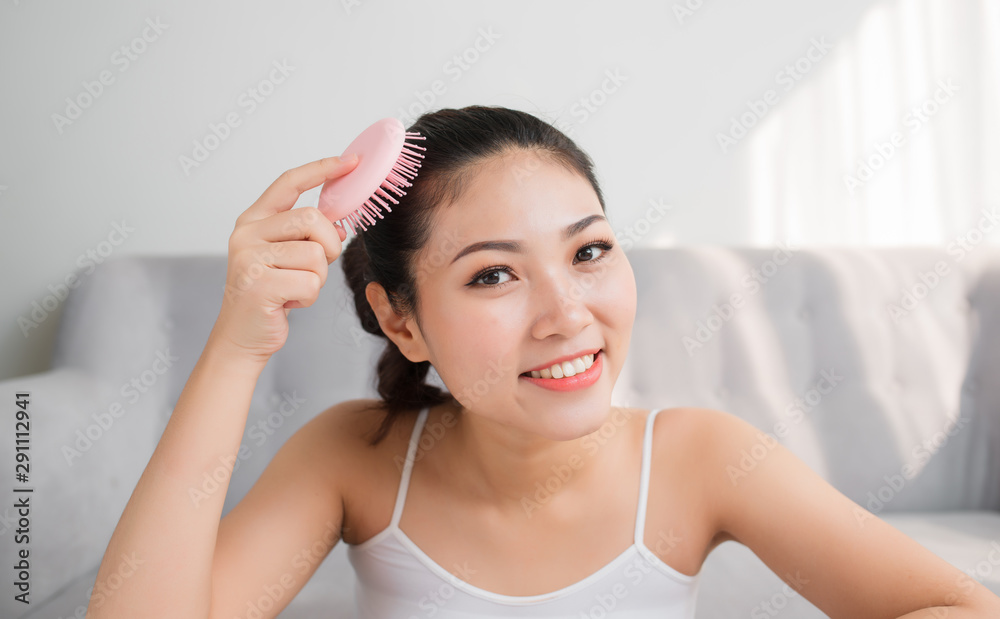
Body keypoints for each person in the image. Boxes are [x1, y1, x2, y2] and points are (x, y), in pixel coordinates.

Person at [87, 106, 1000, 618]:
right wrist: (236, 347)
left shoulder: (701, 460)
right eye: (493, 274)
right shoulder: (355, 458)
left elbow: (959, 607)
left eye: (590, 251)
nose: (568, 314)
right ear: (401, 321)